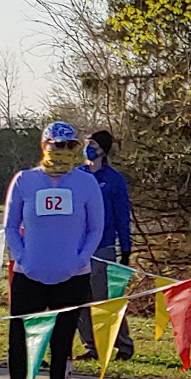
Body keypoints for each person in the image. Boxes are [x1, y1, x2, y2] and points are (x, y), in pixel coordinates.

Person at [0, 122, 104, 379]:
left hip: (71, 279)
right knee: (19, 339)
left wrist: (79, 260)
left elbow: (95, 229)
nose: (63, 151)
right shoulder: (25, 181)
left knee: (61, 344)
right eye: (56, 146)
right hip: (29, 276)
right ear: (45, 146)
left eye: (69, 146)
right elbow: (10, 226)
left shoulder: (85, 184)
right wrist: (23, 259)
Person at [76, 130, 135, 362]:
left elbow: (122, 216)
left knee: (105, 300)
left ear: (102, 149)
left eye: (92, 144)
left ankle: (123, 344)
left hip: (103, 248)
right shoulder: (76, 176)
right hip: (78, 250)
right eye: (85, 143)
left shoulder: (113, 180)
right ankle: (92, 346)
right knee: (80, 299)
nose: (87, 147)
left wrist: (126, 249)